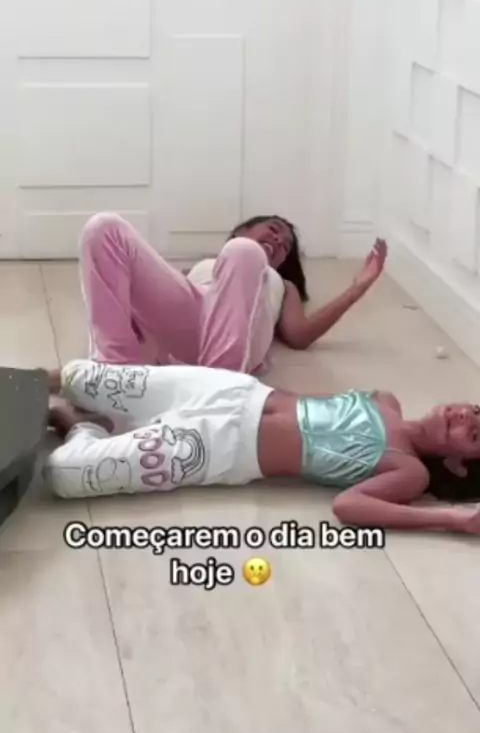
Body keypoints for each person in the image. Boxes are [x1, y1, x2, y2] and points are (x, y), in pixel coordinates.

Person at [45, 359, 480, 535]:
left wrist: (452, 519)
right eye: (475, 410)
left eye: (474, 434)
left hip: (220, 448)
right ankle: (23, 381)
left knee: (64, 474)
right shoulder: (386, 399)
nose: (463, 416)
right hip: (231, 390)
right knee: (82, 377)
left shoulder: (409, 470)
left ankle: (81, 426)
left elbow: (349, 506)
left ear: (459, 465)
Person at [79, 212, 387, 373]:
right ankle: (114, 375)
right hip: (190, 321)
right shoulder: (207, 264)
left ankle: (217, 395)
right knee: (104, 227)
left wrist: (358, 287)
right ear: (240, 230)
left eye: (285, 247)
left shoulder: (280, 284)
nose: (278, 241)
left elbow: (300, 335)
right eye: (273, 229)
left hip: (233, 343)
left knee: (245, 253)